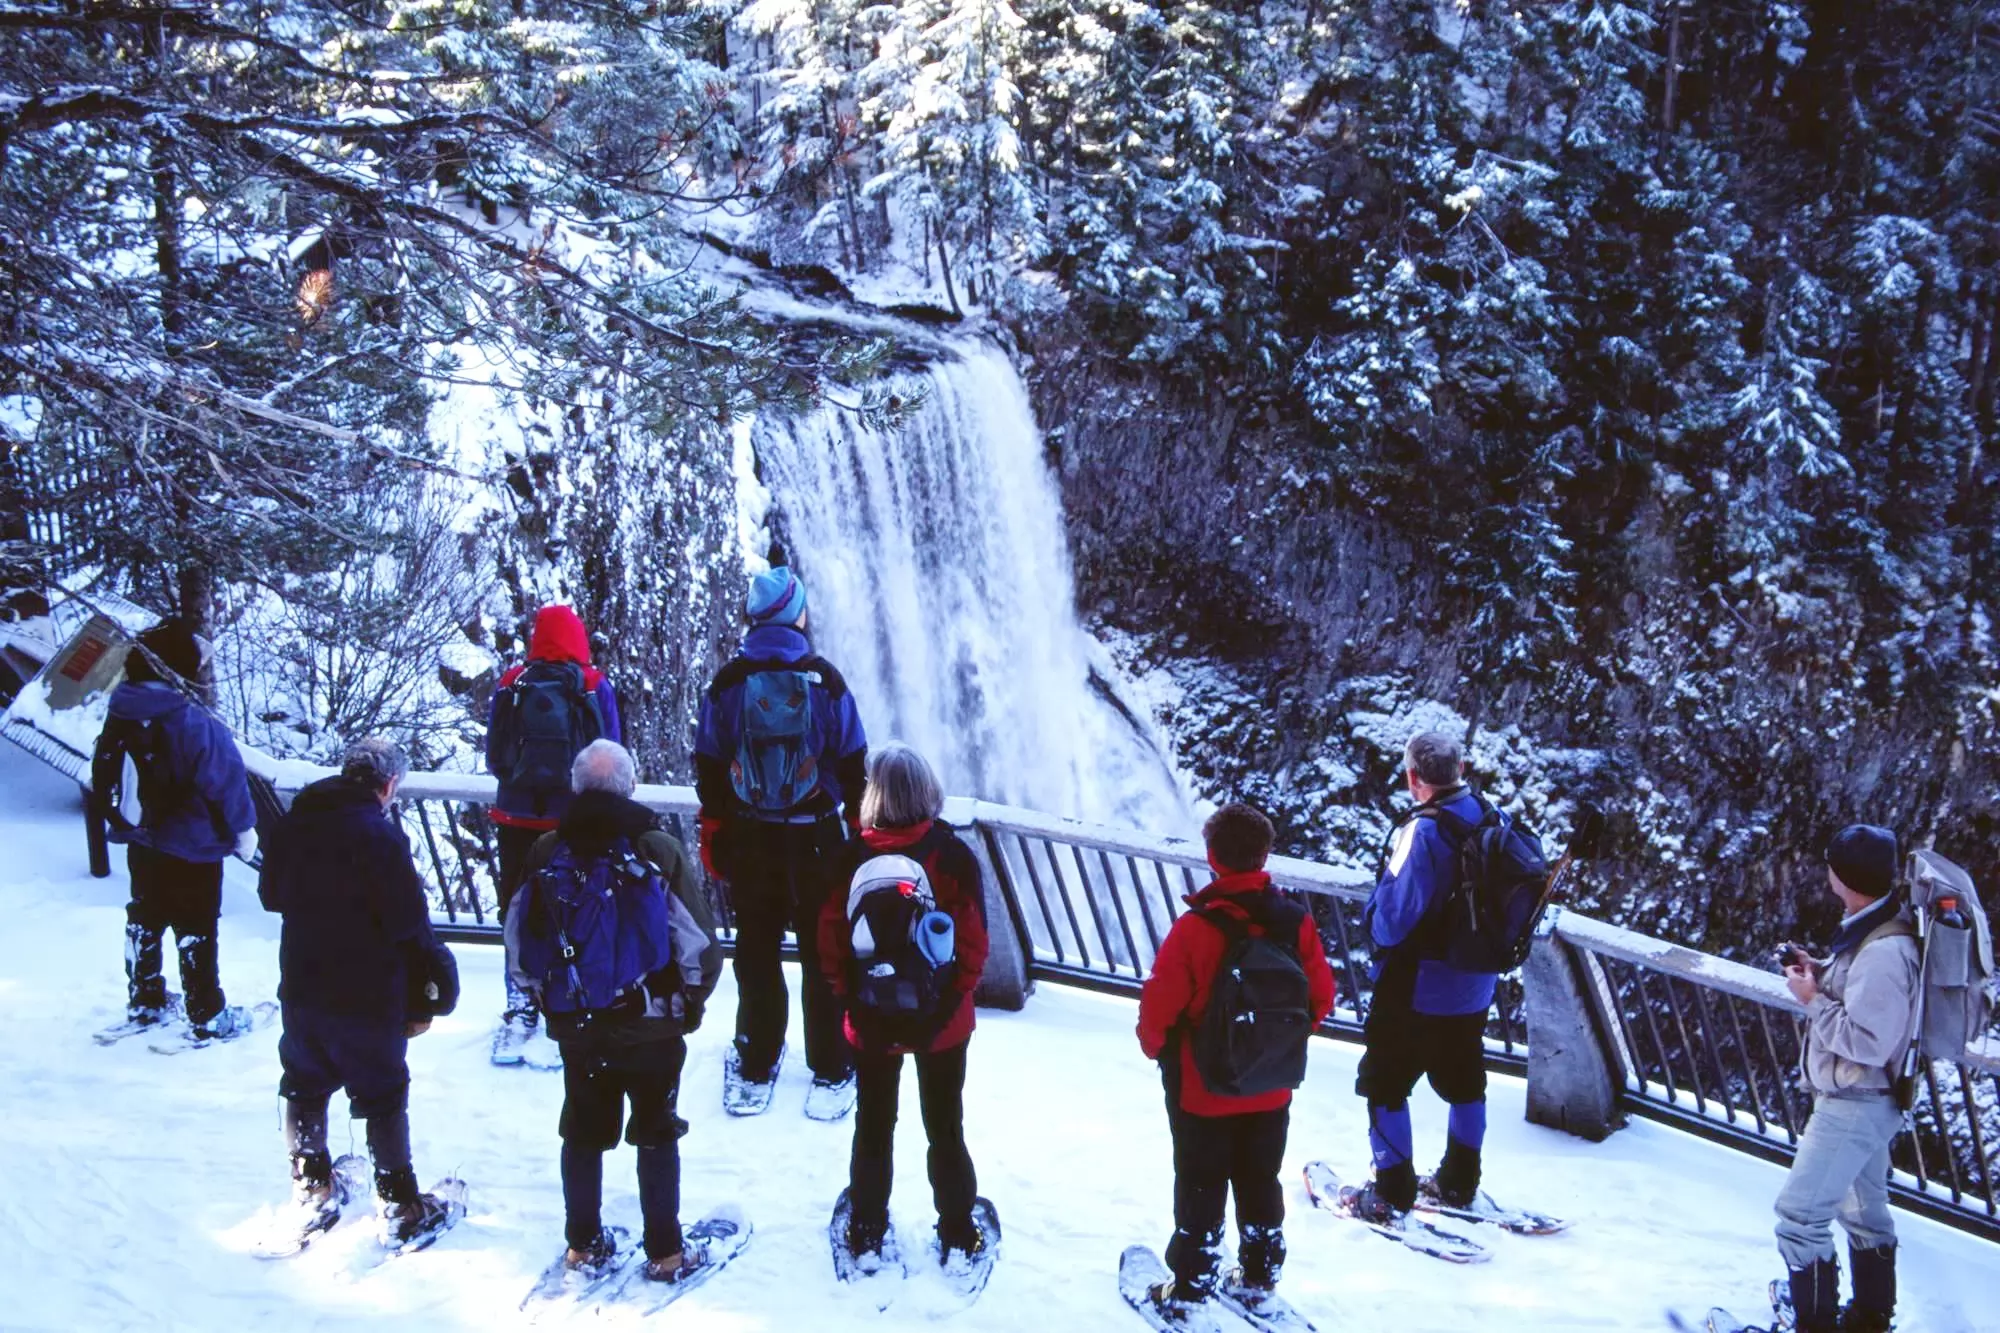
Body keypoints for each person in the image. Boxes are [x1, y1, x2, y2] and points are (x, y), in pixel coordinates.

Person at [506, 739, 724, 1280]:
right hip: (649, 1022)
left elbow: (519, 936)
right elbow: (697, 941)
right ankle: (667, 1254)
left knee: (582, 1129)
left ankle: (582, 1246)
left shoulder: (547, 850)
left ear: (575, 789)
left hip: (578, 1023)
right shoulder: (656, 847)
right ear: (630, 786)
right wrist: (688, 1005)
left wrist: (546, 999)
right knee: (656, 1130)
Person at [259, 737, 463, 1249]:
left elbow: (270, 894)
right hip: (365, 987)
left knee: (304, 1081)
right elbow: (407, 922)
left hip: (303, 980)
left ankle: (312, 1188)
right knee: (381, 1091)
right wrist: (432, 982)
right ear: (389, 784)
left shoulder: (296, 822)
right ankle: (399, 1203)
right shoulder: (378, 836)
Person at [1137, 802, 1336, 1310]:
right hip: (1271, 1085)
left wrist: (1158, 1049)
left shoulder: (1197, 928)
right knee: (1259, 1177)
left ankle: (1190, 1286)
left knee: (1201, 1181)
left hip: (1202, 1088)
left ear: (1211, 857)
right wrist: (1279, 1043)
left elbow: (1161, 1004)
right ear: (1265, 855)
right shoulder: (1295, 922)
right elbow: (1321, 996)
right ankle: (1259, 1274)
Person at [694, 565, 868, 1112]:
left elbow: (709, 769)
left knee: (757, 951)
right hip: (818, 841)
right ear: (796, 613)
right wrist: (856, 832)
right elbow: (856, 765)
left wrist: (720, 830)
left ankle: (758, 1057)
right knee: (823, 954)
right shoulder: (826, 680)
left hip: (752, 842)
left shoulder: (727, 684)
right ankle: (832, 1063)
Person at [817, 743, 992, 1267]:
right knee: (945, 1125)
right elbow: (975, 945)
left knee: (873, 1123)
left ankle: (867, 1230)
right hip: (943, 1024)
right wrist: (946, 1006)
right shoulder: (953, 855)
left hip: (869, 1023)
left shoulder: (848, 857)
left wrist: (854, 1001)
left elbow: (828, 945)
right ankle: (959, 1233)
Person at [1772, 824, 1920, 1333]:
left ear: (1844, 875)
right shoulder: (1873, 924)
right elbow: (1862, 999)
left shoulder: (1884, 950)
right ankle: (1869, 1320)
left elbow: (1869, 1042)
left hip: (1855, 1101)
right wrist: (1820, 972)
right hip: (1867, 1099)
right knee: (1863, 1213)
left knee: (1799, 1218)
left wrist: (1812, 1000)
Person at [1349, 729, 1496, 1222]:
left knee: (1383, 1082)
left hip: (1418, 985)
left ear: (1413, 777)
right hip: (1475, 981)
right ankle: (1459, 1181)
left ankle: (1392, 1191)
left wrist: (1371, 918)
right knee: (1465, 1079)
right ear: (1461, 770)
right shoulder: (1491, 816)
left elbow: (1394, 921)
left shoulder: (1424, 832)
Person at [91, 618, 258, 1039]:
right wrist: (244, 833)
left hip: (143, 836)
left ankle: (144, 1000)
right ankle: (206, 1012)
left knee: (145, 915)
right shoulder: (193, 721)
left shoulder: (123, 707)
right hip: (194, 845)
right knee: (197, 925)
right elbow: (226, 782)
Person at [486, 604, 623, 1050]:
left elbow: (495, 753)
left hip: (515, 818)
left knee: (519, 907)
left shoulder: (512, 683)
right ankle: (566, 999)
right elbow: (611, 752)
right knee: (576, 906)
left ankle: (519, 1001)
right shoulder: (591, 685)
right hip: (573, 819)